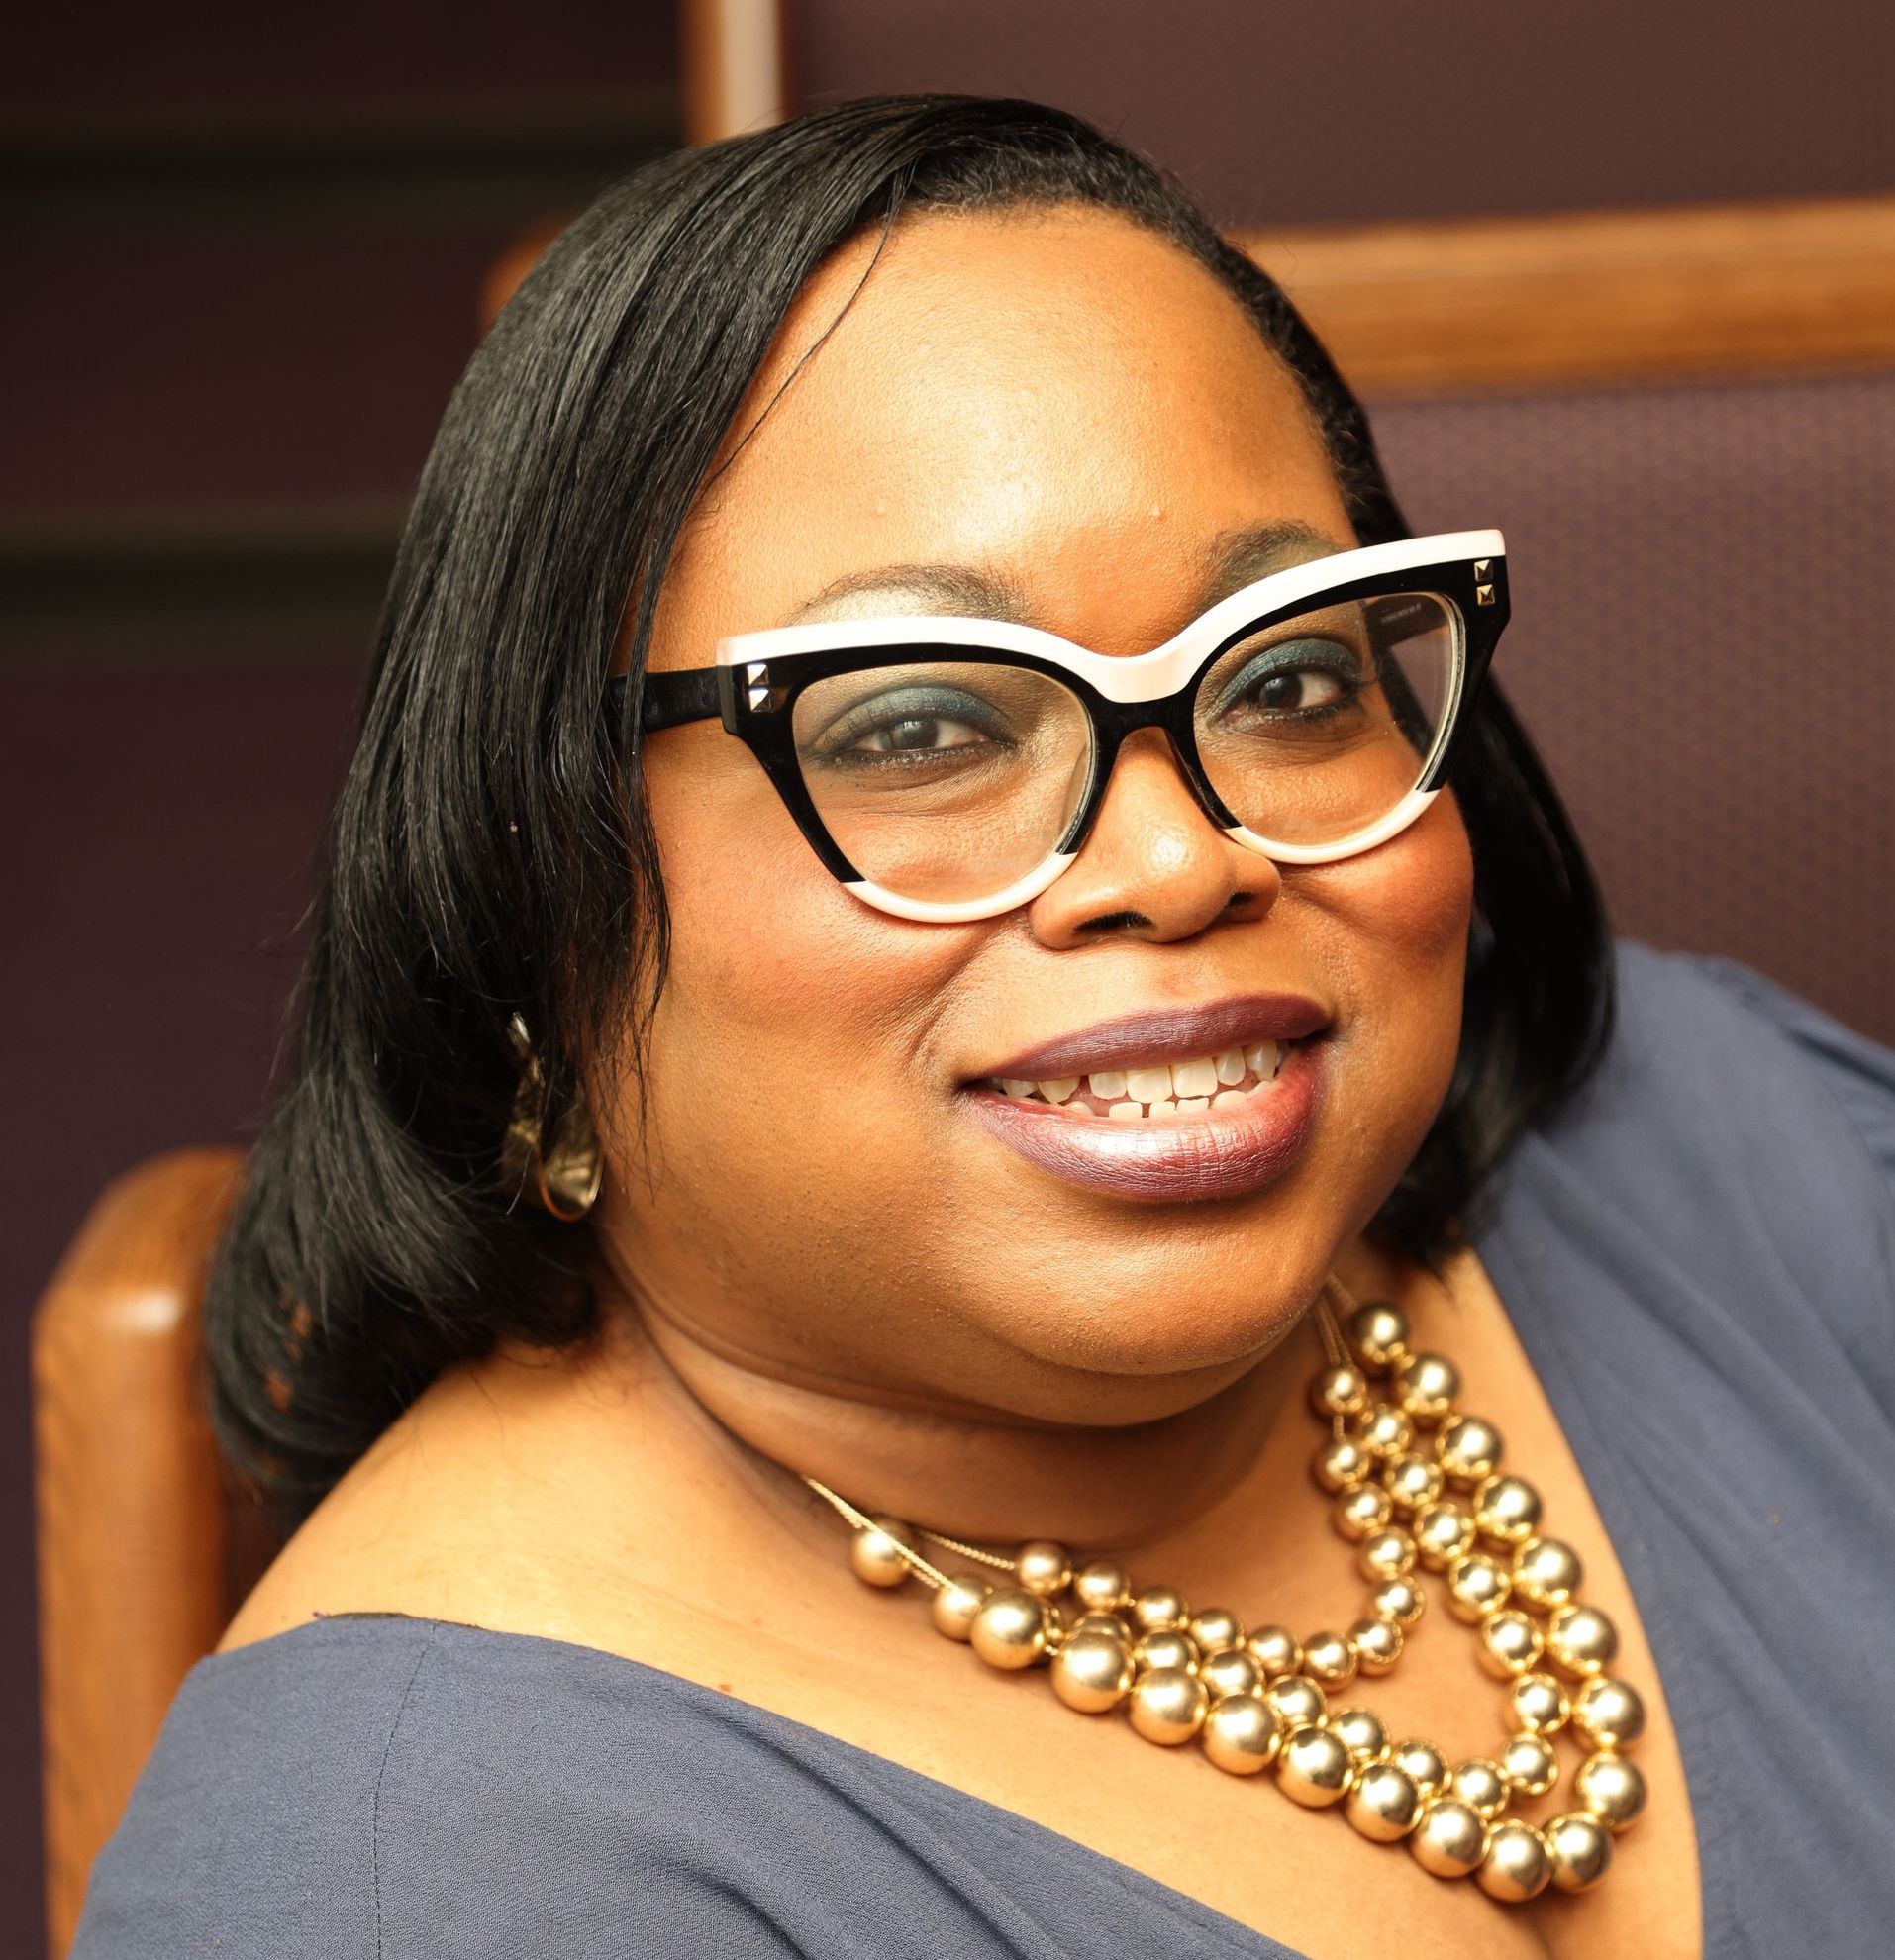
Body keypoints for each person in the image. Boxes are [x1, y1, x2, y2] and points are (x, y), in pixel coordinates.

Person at [70, 96, 1895, 1960]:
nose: (1180, 857)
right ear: (528, 881)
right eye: (918, 728)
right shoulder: (420, 1886)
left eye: (1278, 675)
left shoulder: (1723, 1149)